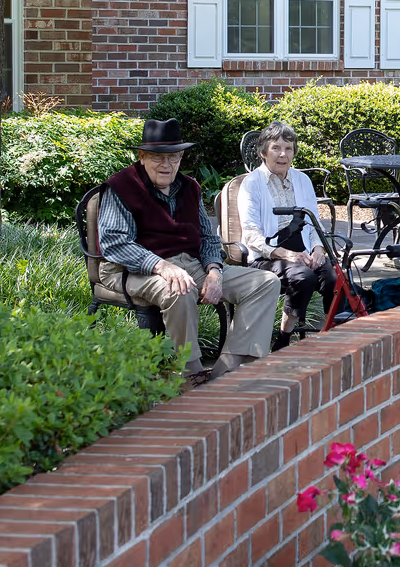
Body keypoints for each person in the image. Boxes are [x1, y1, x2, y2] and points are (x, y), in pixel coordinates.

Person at [98, 117, 281, 381]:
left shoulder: (189, 187)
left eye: (174, 157)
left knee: (265, 281)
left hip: (190, 265)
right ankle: (189, 373)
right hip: (134, 269)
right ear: (142, 156)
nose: (167, 164)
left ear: (181, 157)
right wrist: (161, 266)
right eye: (158, 157)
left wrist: (215, 271)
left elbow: (207, 237)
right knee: (179, 289)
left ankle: (229, 369)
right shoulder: (121, 187)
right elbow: (115, 243)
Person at [234, 120, 341, 348]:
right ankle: (283, 340)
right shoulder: (251, 184)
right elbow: (251, 235)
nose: (283, 154)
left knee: (334, 278)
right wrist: (286, 255)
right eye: (276, 148)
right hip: (266, 257)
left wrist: (318, 249)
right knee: (303, 277)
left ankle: (332, 338)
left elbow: (314, 224)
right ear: (263, 152)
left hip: (303, 253)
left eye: (289, 148)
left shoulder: (303, 180)